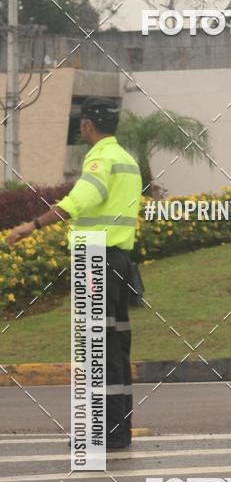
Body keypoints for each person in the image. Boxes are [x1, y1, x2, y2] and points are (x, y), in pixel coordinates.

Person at [7, 97, 142, 451]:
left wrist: (31, 226)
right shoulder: (127, 160)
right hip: (120, 262)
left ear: (87, 126)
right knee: (115, 348)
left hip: (96, 259)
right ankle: (117, 431)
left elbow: (78, 201)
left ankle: (100, 433)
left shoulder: (100, 158)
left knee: (95, 350)